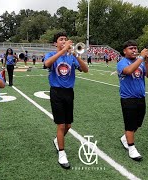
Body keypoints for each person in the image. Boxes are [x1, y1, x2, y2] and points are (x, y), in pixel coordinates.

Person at [44, 32, 89, 169]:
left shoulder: (71, 57)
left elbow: (85, 69)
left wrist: (76, 55)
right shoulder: (51, 55)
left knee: (68, 125)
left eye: (65, 39)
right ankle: (62, 153)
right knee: (61, 125)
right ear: (55, 43)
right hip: (56, 92)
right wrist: (63, 51)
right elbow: (47, 64)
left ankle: (58, 141)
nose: (64, 41)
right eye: (61, 39)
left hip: (69, 92)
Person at [117, 40, 148, 161]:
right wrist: (141, 57)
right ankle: (131, 148)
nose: (134, 50)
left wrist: (146, 62)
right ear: (124, 51)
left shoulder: (141, 62)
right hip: (128, 98)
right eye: (131, 48)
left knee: (138, 123)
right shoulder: (122, 63)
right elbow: (128, 71)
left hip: (140, 97)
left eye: (135, 48)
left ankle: (125, 138)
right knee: (130, 124)